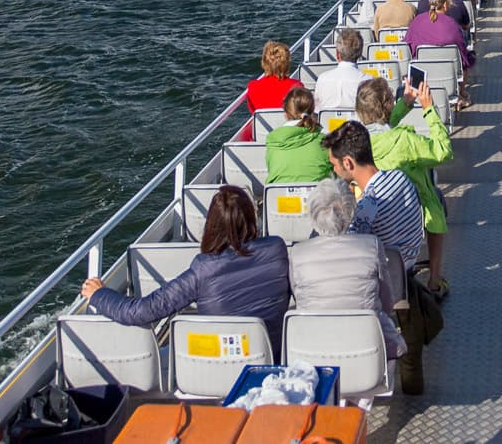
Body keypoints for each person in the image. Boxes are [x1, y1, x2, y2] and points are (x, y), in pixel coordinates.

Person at [80, 185, 290, 352]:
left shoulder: (203, 270)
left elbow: (143, 310)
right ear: (252, 220)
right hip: (271, 357)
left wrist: (99, 295)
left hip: (219, 366)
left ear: (211, 226)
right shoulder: (277, 249)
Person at [323, 121, 434, 394]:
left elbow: (350, 249)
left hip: (386, 283)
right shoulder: (401, 178)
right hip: (408, 268)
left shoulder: (368, 206)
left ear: (348, 163)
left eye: (335, 165)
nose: (334, 170)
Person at [289, 179, 405, 360]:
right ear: (351, 211)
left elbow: (298, 296)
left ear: (312, 215)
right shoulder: (372, 246)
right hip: (367, 353)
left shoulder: (297, 254)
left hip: (313, 352)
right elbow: (387, 301)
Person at [357, 75, 453, 288]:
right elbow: (443, 150)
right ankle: (435, 278)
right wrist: (428, 109)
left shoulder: (359, 139)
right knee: (434, 202)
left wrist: (405, 103)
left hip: (376, 206)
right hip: (410, 208)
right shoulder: (404, 141)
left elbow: (380, 127)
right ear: (389, 104)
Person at [266, 87, 335, 183]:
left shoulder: (273, 141)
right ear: (313, 110)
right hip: (318, 196)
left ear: (286, 113)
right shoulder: (325, 141)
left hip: (278, 196)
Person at [314, 29, 367, 114]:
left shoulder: (322, 79)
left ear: (337, 53)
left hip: (327, 126)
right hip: (358, 126)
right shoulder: (367, 81)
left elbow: (317, 111)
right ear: (360, 53)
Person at [246, 40, 303, 112]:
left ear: (264, 62)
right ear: (287, 63)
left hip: (264, 123)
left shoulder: (253, 87)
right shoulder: (297, 87)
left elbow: (253, 112)